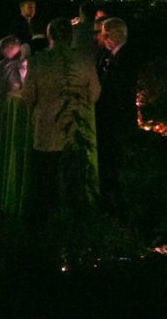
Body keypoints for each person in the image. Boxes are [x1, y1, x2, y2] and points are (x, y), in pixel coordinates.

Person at [21, 18, 101, 223]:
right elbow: (94, 94)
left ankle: (43, 219)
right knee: (74, 177)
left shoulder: (38, 61)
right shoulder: (84, 61)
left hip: (46, 128)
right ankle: (75, 218)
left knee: (45, 177)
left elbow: (28, 95)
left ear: (49, 36)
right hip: (75, 128)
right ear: (71, 36)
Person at [94, 17, 141, 211]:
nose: (103, 38)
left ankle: (121, 201)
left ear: (118, 33)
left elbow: (121, 86)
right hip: (106, 116)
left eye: (106, 33)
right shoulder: (105, 55)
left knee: (119, 158)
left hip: (119, 116)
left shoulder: (128, 56)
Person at [0, 36, 32, 216]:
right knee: (2, 135)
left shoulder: (20, 64)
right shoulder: (3, 66)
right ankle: (0, 167)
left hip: (14, 105)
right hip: (5, 106)